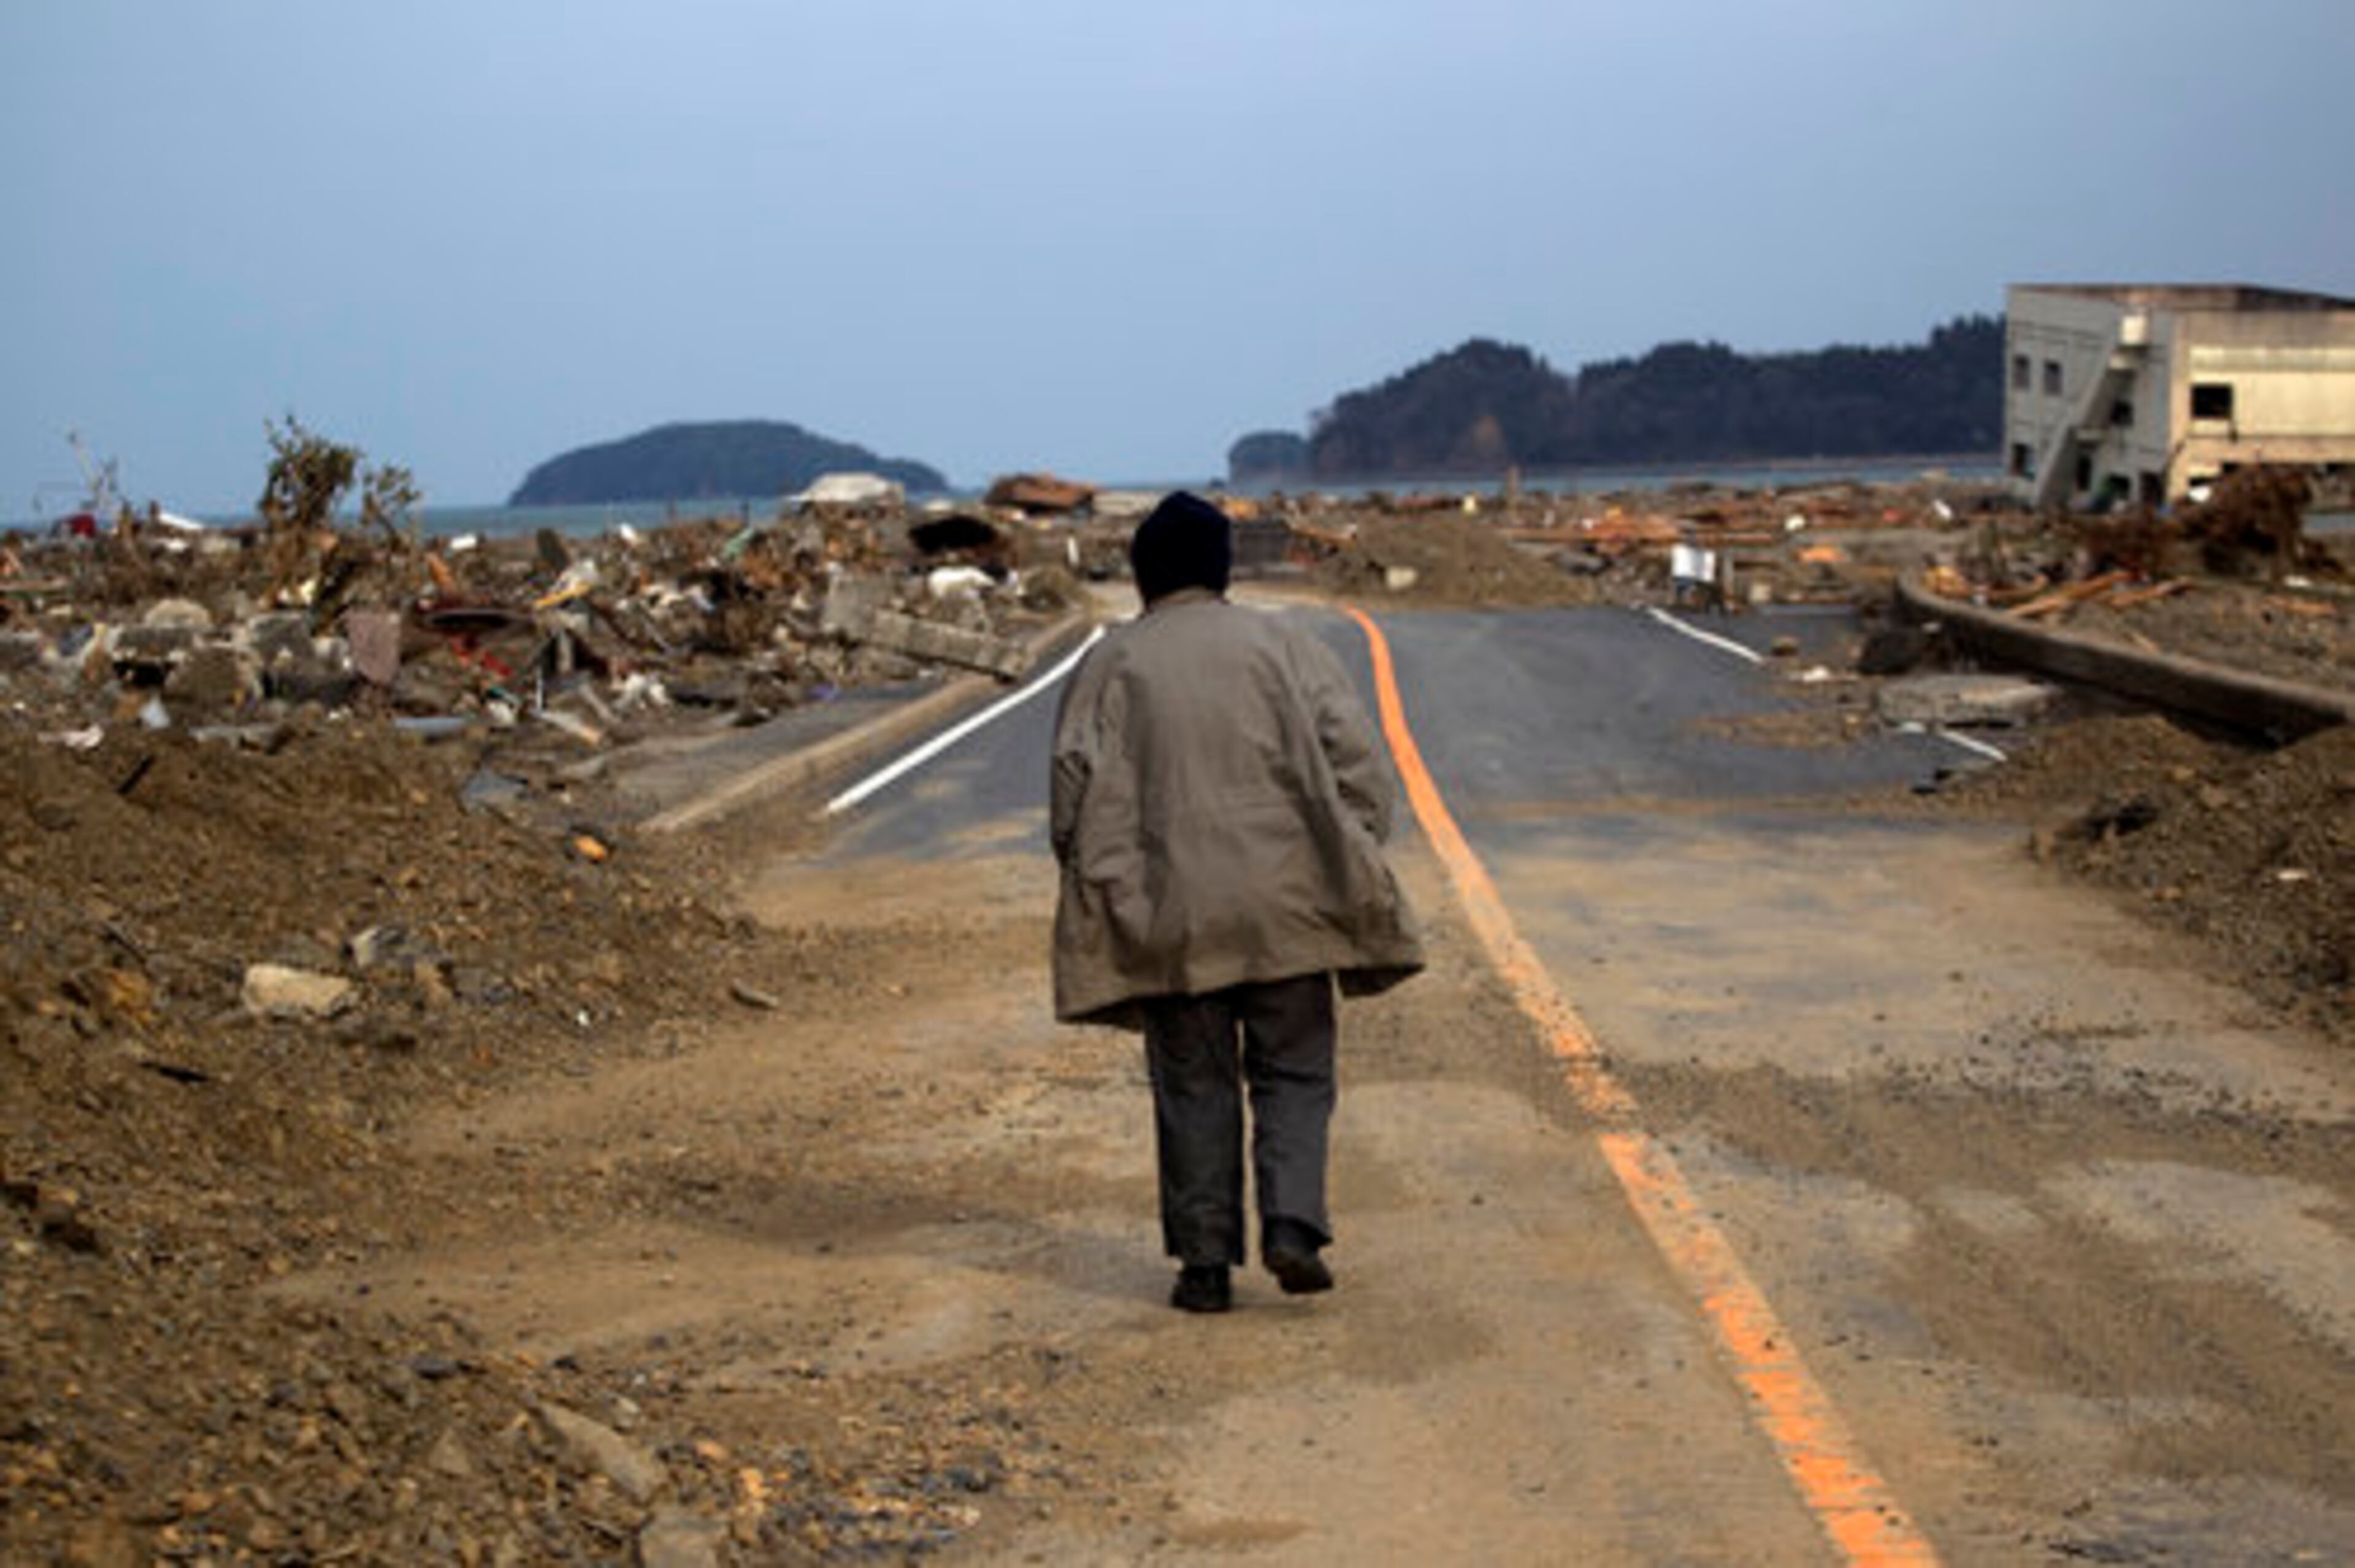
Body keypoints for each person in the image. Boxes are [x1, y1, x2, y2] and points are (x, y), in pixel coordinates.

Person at [1049, 491, 1425, 1313]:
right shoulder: (1283, 647)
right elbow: (1359, 767)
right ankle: (1292, 1225)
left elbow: (1072, 793)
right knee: (1294, 1069)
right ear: (1223, 570)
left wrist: (1098, 886)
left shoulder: (1113, 661)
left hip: (1171, 918)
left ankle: (1205, 1265)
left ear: (1145, 574)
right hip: (1290, 904)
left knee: (1193, 1085)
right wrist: (1344, 850)